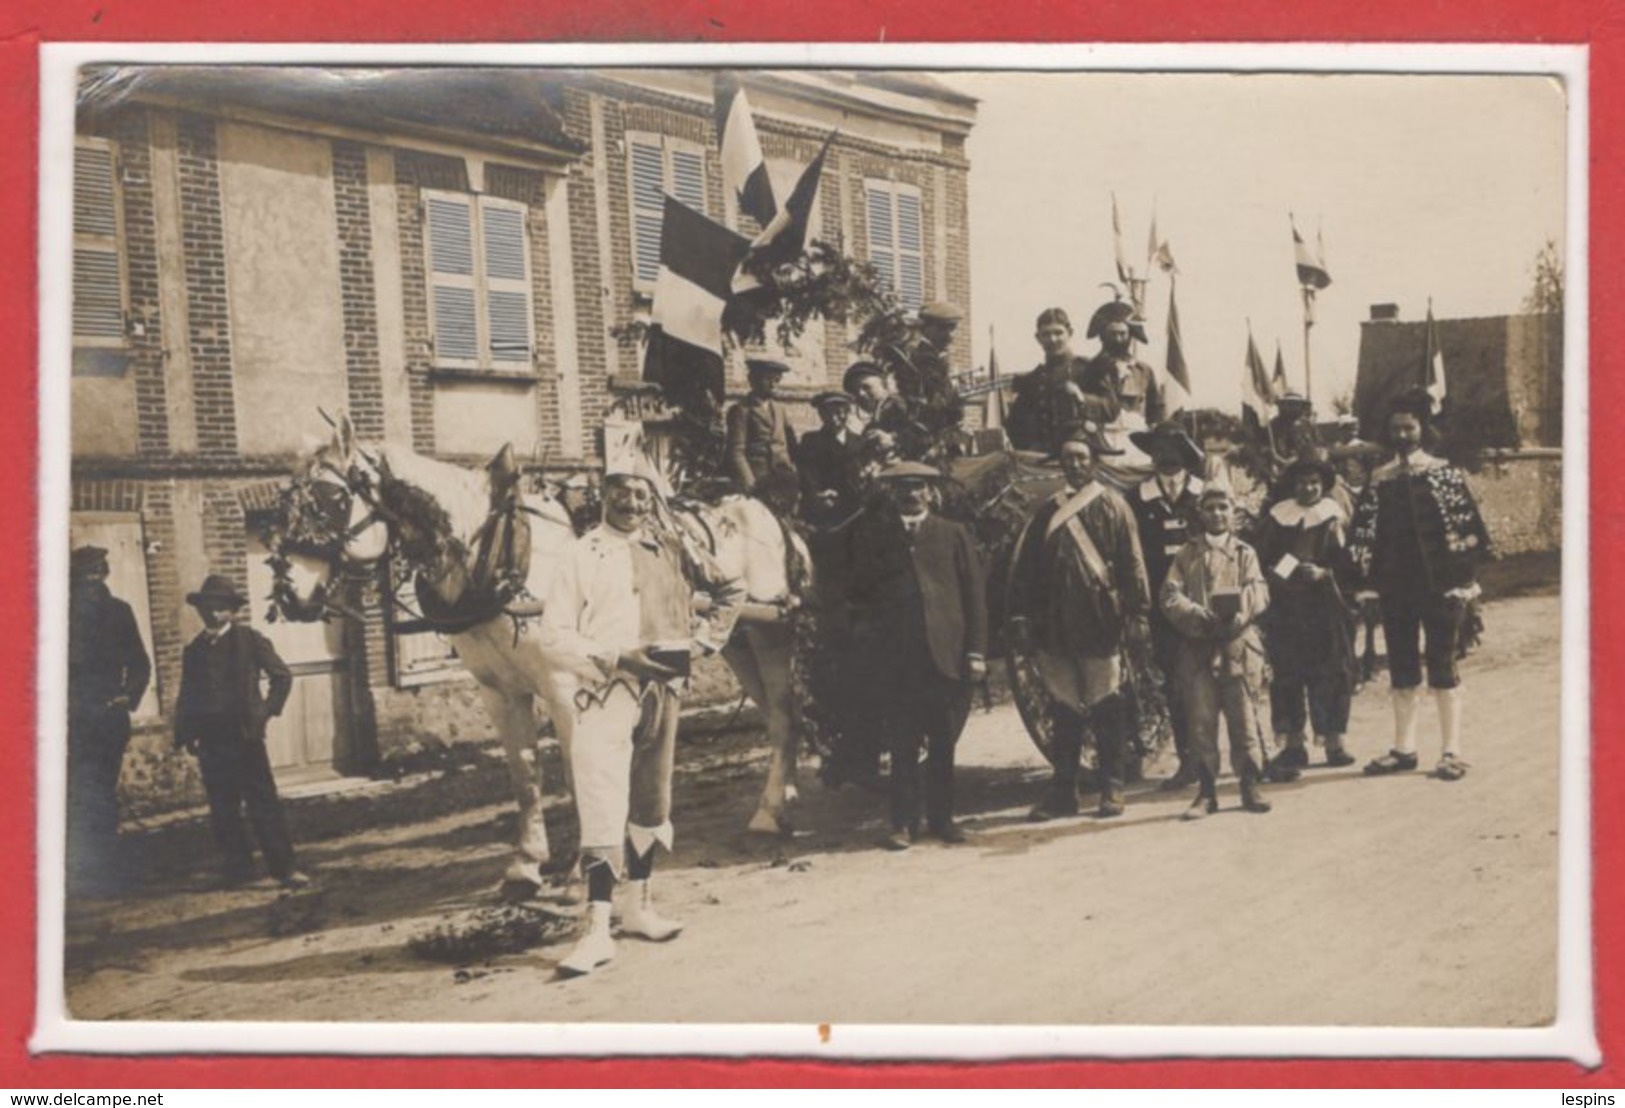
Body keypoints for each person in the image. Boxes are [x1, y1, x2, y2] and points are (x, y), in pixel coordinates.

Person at [538, 466, 745, 977]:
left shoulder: (673, 549)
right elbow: (552, 637)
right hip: (605, 693)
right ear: (602, 499)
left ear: (652, 501)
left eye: (640, 495)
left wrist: (701, 643)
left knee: (652, 800)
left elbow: (731, 590)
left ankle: (639, 907)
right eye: (620, 494)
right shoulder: (581, 553)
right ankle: (596, 930)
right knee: (603, 801)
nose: (631, 503)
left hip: (664, 691)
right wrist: (616, 658)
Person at [835, 461, 986, 849]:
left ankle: (942, 820)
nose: (911, 494)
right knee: (903, 745)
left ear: (929, 493)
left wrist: (975, 652)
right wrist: (870, 644)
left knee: (942, 742)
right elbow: (859, 596)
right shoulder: (876, 537)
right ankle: (903, 824)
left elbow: (974, 597)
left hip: (944, 657)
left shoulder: (952, 534)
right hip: (898, 661)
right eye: (903, 488)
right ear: (892, 494)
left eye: (918, 487)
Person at [1007, 423, 1151, 821]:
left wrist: (1137, 614)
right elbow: (1026, 571)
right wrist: (1021, 616)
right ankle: (1063, 790)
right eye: (1068, 458)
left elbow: (1132, 564)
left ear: (1093, 463)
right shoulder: (1047, 513)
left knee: (1106, 705)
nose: (1074, 465)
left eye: (1081, 458)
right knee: (1064, 708)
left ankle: (1112, 786)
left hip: (1099, 622)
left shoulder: (1114, 507)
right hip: (1054, 626)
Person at [1347, 389, 1492, 782]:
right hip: (1396, 590)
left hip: (1441, 587)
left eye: (1409, 428)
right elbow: (1363, 537)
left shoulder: (1443, 474)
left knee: (1443, 665)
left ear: (1421, 430)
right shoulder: (1379, 481)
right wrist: (1367, 585)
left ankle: (1451, 751)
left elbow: (1467, 530)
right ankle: (1404, 748)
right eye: (1395, 429)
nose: (1402, 435)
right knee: (1402, 667)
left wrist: (1461, 581)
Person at [173, 574, 309, 889]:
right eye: (208, 607)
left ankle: (284, 868)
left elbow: (282, 677)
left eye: (221, 607)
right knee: (223, 806)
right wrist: (187, 732)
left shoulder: (249, 640)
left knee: (263, 802)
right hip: (211, 738)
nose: (214, 613)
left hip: (244, 735)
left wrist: (265, 712)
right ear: (200, 610)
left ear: (232, 611)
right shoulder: (194, 650)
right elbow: (188, 694)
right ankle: (239, 870)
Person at [1159, 483, 1274, 819]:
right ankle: (1206, 792)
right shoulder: (1186, 554)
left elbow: (1259, 589)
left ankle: (1249, 784)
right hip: (1198, 649)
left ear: (1233, 512)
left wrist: (1239, 613)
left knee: (1243, 716)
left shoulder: (1244, 553)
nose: (1217, 514)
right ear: (1200, 513)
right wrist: (1196, 615)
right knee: (1201, 719)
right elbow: (1169, 595)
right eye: (1210, 508)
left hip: (1237, 646)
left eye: (1223, 507)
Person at [1255, 454, 1359, 770]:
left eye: (1314, 482)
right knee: (1288, 674)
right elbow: (1264, 558)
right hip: (1286, 607)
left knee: (1331, 673)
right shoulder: (1277, 517)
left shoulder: (1334, 516)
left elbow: (1350, 562)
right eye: (1302, 482)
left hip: (1325, 607)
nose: (1308, 488)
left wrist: (1324, 573)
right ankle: (1294, 744)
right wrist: (1291, 569)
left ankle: (1333, 741)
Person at [1124, 421, 1207, 791]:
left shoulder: (1204, 494)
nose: (1166, 457)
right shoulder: (1136, 498)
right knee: (1176, 682)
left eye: (1173, 449)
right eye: (1159, 449)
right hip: (1162, 608)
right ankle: (1189, 759)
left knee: (1216, 678)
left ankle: (1226, 757)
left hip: (1203, 604)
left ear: (1186, 454)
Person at [67, 545, 151, 895]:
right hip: (69, 719)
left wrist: (127, 697)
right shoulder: (58, 613)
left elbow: (140, 663)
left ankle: (101, 875)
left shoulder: (119, 612)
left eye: (98, 572)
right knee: (76, 794)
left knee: (97, 792)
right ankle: (81, 874)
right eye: (85, 575)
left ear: (105, 574)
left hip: (105, 718)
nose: (93, 579)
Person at [1005, 307, 1118, 454]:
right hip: (1043, 460)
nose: (1052, 339)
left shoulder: (1090, 369)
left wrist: (1082, 398)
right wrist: (1029, 447)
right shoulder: (1032, 380)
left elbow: (1111, 410)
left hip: (1082, 460)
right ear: (1038, 338)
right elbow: (1014, 424)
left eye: (1058, 333)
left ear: (1070, 333)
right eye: (1046, 334)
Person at [1084, 297, 1164, 459]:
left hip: (1137, 440)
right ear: (1102, 336)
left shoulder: (1144, 371)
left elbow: (1155, 410)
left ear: (1130, 335)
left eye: (1122, 334)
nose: (1118, 339)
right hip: (1101, 439)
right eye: (1112, 334)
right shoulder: (1089, 370)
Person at [889, 301, 967, 444]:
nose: (950, 336)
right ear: (928, 328)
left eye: (952, 329)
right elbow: (931, 404)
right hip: (923, 437)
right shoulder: (923, 358)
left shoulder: (936, 357)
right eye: (944, 329)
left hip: (937, 434)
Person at [795, 390, 866, 532]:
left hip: (854, 509)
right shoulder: (811, 441)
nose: (834, 418)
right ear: (821, 415)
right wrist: (818, 494)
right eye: (829, 413)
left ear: (847, 413)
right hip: (824, 506)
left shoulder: (860, 442)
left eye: (840, 412)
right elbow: (806, 472)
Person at [724, 358, 798, 494]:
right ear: (753, 381)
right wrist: (750, 483)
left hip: (783, 477)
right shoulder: (742, 410)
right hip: (758, 478)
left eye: (777, 380)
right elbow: (736, 452)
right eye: (767, 379)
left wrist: (794, 473)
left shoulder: (780, 408)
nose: (773, 385)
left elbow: (792, 445)